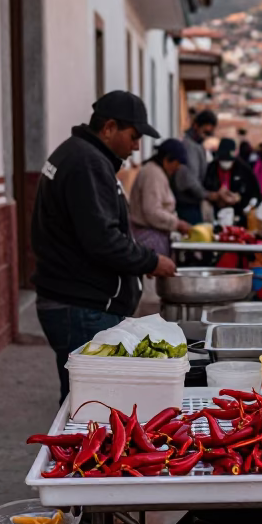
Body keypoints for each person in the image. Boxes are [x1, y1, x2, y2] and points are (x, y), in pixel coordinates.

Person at [31, 91, 176, 402]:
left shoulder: (77, 154)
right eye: (134, 136)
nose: (137, 146)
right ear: (109, 127)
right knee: (92, 404)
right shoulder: (87, 163)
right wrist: (150, 261)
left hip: (73, 301)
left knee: (84, 399)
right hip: (82, 306)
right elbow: (103, 240)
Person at [129, 138, 191, 256]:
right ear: (167, 159)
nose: (177, 168)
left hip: (154, 236)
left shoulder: (156, 172)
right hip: (149, 239)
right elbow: (152, 211)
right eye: (177, 164)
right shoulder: (153, 174)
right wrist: (177, 223)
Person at [174, 108, 217, 224]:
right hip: (187, 204)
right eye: (206, 132)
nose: (206, 137)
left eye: (210, 134)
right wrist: (207, 195)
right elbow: (190, 179)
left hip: (193, 202)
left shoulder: (197, 145)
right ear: (196, 126)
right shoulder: (189, 145)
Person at [204, 137, 260, 224]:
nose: (225, 163)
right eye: (223, 159)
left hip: (239, 215)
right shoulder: (211, 168)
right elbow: (205, 187)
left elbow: (254, 192)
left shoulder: (244, 169)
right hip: (216, 214)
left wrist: (240, 198)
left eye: (228, 160)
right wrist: (216, 196)